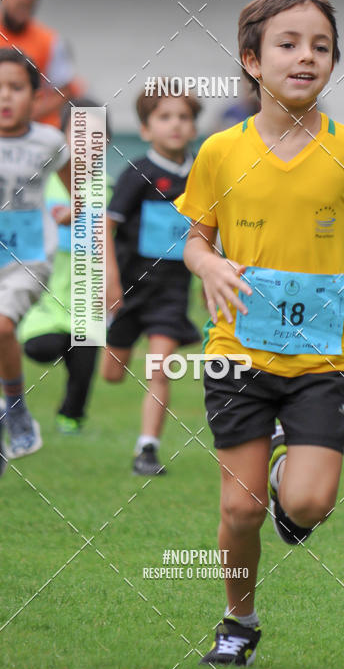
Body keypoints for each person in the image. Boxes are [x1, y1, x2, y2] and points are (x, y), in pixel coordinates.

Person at [176, 0, 344, 667]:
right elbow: (194, 237)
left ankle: (283, 487)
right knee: (238, 514)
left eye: (321, 46)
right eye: (288, 43)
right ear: (252, 59)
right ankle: (239, 621)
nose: (306, 57)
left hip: (321, 354)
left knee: (309, 502)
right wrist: (207, 264)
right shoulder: (220, 151)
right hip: (237, 349)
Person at [101, 87, 202, 476]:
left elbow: (210, 232)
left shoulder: (201, 174)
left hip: (172, 291)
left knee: (160, 369)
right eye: (164, 117)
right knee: (113, 374)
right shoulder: (137, 172)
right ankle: (115, 344)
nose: (175, 124)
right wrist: (110, 280)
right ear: (145, 129)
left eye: (183, 116)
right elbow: (107, 226)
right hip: (128, 289)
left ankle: (147, 449)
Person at [20, 99, 112, 433]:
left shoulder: (107, 189)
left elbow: (114, 239)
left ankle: (70, 417)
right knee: (42, 346)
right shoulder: (44, 184)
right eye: (79, 133)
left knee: (85, 364)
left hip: (88, 293)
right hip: (46, 290)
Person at [0, 48, 70, 464]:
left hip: (27, 256)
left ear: (36, 96)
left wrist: (74, 205)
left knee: (2, 328)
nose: (5, 97)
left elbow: (71, 176)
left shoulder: (49, 140)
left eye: (15, 88)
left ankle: (16, 405)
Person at [0, 0, 80, 126]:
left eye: (28, 7)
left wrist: (25, 115)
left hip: (36, 128)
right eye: (19, 5)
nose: (22, 13)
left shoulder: (49, 41)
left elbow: (64, 90)